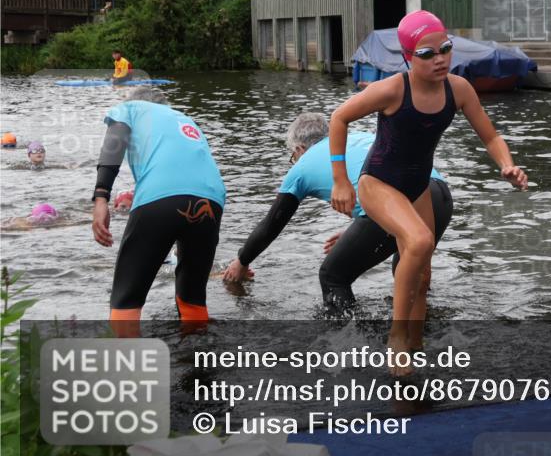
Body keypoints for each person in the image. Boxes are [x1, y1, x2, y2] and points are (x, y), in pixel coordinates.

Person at [328, 9, 527, 374]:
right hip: (378, 183)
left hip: (417, 186)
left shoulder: (459, 89)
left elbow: (490, 136)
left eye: (445, 49)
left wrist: (507, 165)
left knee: (422, 276)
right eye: (427, 53)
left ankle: (415, 347)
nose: (440, 59)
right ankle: (396, 339)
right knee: (419, 241)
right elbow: (339, 118)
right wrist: (340, 180)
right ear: (408, 57)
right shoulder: (391, 89)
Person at [221, 113, 453, 312]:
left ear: (299, 149)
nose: (295, 161)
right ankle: (423, 335)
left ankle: (346, 341)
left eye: (293, 156)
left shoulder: (301, 167)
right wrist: (358, 234)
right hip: (439, 195)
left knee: (333, 276)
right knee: (409, 278)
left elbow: (271, 225)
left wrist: (242, 261)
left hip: (398, 203)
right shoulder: (356, 138)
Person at [91, 86, 226, 324]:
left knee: (126, 298)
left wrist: (101, 197)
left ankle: (123, 346)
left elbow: (114, 144)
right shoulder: (184, 119)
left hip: (161, 193)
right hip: (212, 198)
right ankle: (196, 344)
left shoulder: (130, 109)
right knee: (192, 298)